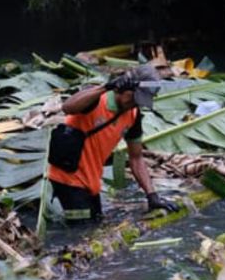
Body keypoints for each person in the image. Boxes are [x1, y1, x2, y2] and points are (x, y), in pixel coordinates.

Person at [46, 73, 179, 223]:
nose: (134, 103)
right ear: (120, 89)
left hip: (91, 180)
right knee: (81, 227)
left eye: (139, 101)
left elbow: (136, 158)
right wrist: (105, 87)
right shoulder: (96, 100)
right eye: (132, 98)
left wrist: (152, 195)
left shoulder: (133, 115)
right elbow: (68, 107)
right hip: (68, 178)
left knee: (95, 223)